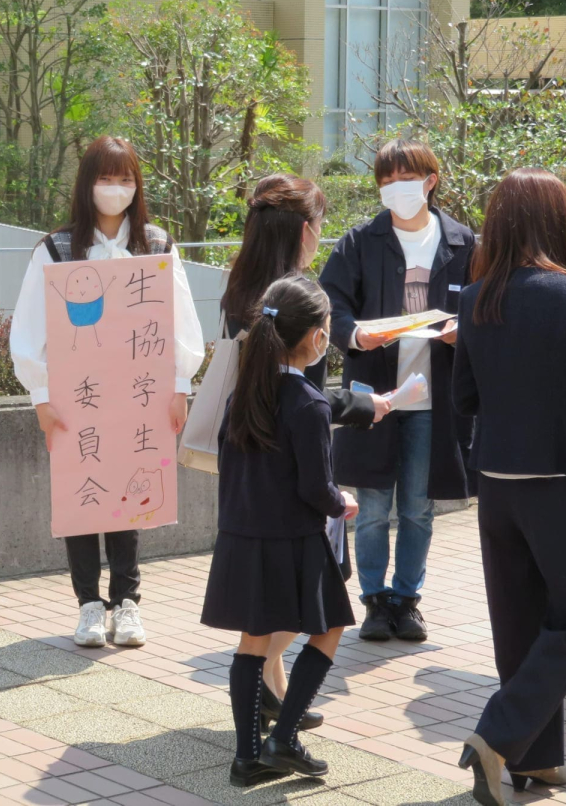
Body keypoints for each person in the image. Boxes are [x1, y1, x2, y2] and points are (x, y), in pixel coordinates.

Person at [452, 168, 566, 806]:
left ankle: (536, 758)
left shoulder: (476, 297)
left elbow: (464, 399)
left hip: (497, 482)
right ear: (560, 223)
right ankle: (498, 736)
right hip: (562, 482)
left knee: (518, 624)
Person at [10, 136, 204, 648]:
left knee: (131, 486)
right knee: (84, 490)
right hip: (77, 395)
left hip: (140, 392)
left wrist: (180, 385)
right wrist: (41, 396)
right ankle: (89, 605)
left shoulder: (157, 245)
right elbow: (29, 327)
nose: (115, 189)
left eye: (125, 179)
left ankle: (127, 601)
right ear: (86, 184)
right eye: (105, 178)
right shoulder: (57, 248)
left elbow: (182, 319)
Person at [219, 173, 389, 731]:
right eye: (319, 223)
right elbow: (303, 398)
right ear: (302, 230)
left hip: (249, 464)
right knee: (307, 599)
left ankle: (273, 699)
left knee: (269, 603)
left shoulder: (243, 289)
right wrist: (364, 404)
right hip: (294, 476)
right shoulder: (291, 297)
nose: (321, 234)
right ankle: (270, 701)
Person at [201, 276, 358, 788]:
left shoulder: (245, 394)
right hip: (292, 538)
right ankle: (284, 737)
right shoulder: (309, 403)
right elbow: (316, 487)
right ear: (316, 336)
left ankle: (247, 758)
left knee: (253, 641)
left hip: (242, 535)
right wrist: (342, 503)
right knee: (330, 627)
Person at [320, 139, 476, 642]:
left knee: (417, 508)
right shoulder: (360, 241)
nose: (394, 189)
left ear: (430, 181)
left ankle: (407, 599)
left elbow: (487, 304)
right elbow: (330, 305)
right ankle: (373, 600)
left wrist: (464, 330)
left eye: (404, 179)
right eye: (385, 181)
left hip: (433, 398)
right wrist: (353, 334)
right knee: (370, 508)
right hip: (374, 397)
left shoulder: (462, 242)